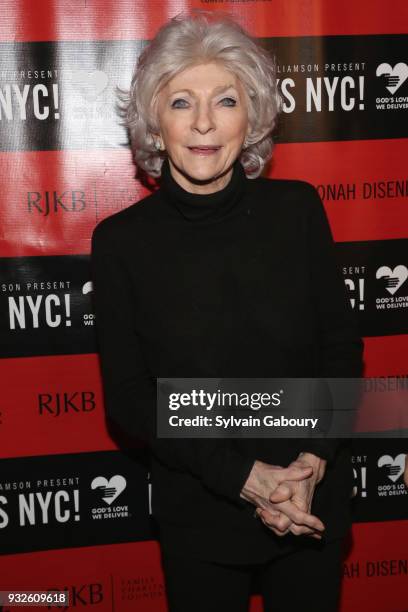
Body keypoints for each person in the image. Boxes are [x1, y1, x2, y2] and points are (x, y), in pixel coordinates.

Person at [90, 10, 364, 612]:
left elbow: (340, 348)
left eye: (227, 100)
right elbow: (134, 397)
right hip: (202, 516)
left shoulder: (298, 211)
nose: (205, 123)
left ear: (255, 119)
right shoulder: (120, 243)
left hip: (310, 501)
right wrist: (246, 477)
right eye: (182, 102)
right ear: (155, 126)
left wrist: (311, 461)